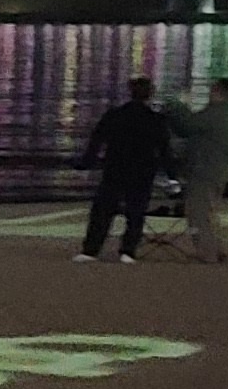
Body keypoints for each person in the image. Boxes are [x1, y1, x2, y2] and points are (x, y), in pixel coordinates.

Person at [74, 76, 172, 261]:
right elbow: (164, 150)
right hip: (142, 171)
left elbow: (97, 140)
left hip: (115, 168)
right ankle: (128, 250)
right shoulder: (156, 119)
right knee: (135, 212)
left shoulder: (114, 115)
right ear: (150, 94)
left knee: (102, 211)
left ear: (130, 91)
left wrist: (86, 163)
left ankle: (91, 249)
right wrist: (171, 175)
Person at [179, 77, 228, 263]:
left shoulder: (215, 113)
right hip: (221, 170)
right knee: (211, 211)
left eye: (212, 91)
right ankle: (216, 249)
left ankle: (207, 253)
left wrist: (179, 105)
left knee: (198, 213)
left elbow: (187, 124)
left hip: (204, 170)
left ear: (219, 93)